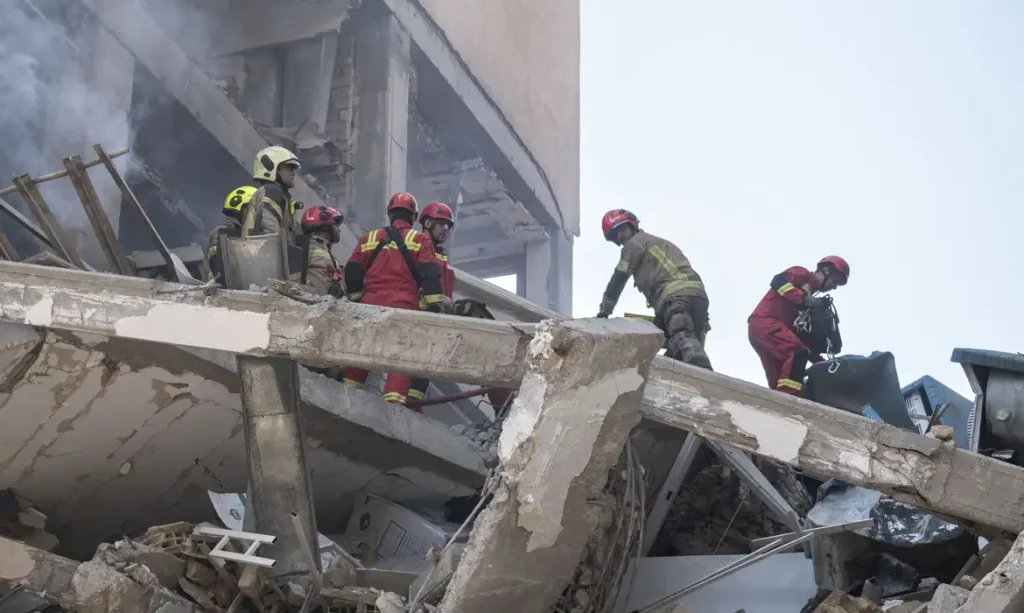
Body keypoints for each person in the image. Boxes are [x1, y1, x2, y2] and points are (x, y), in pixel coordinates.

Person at [342, 193, 446, 407]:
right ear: (414, 216)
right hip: (403, 308)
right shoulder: (419, 239)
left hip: (369, 308)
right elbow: (429, 274)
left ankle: (345, 398)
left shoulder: (369, 238)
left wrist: (358, 298)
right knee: (400, 356)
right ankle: (393, 405)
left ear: (390, 214)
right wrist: (435, 306)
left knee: (362, 353)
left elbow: (352, 271)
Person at [596, 209, 713, 370]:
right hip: (696, 298)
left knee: (682, 338)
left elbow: (619, 278)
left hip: (675, 299)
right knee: (674, 354)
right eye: (616, 235)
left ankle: (704, 377)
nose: (620, 237)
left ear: (632, 226)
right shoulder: (658, 242)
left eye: (622, 230)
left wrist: (604, 311)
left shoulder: (634, 244)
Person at [747, 256, 850, 396]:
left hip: (767, 331)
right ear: (826, 270)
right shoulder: (803, 275)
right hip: (765, 322)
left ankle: (782, 406)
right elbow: (778, 281)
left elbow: (799, 337)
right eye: (835, 280)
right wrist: (804, 300)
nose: (834, 287)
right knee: (797, 354)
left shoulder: (807, 300)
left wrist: (822, 363)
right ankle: (788, 401)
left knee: (781, 379)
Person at [408, 202, 457, 404]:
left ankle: (413, 404)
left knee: (425, 366)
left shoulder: (440, 254)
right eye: (441, 223)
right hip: (419, 313)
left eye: (448, 225)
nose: (445, 229)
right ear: (427, 222)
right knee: (413, 363)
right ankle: (406, 403)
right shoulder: (417, 246)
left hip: (435, 314)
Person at [241, 145, 302, 243]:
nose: (293, 173)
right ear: (271, 167)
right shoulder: (272, 192)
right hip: (264, 256)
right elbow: (269, 235)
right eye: (289, 167)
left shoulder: (275, 194)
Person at [296, 205, 345, 297]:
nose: (339, 230)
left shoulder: (324, 252)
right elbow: (295, 283)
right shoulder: (307, 250)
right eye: (336, 225)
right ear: (326, 226)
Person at [205, 186, 251, 283]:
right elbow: (218, 268)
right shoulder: (221, 234)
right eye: (252, 209)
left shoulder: (247, 234)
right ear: (239, 210)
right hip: (222, 292)